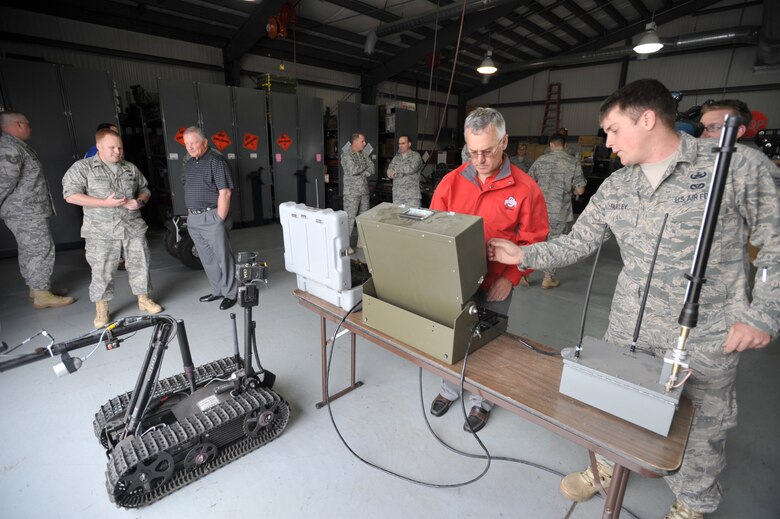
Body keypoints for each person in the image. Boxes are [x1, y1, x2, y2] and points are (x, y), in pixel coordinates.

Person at [487, 79, 779, 519]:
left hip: (705, 332)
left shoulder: (735, 167)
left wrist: (763, 314)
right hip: (630, 324)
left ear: (646, 119)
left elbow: (776, 242)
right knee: (615, 405)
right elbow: (578, 241)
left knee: (700, 425)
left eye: (612, 129)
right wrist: (522, 253)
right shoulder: (619, 185)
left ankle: (693, 502)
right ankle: (607, 467)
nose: (607, 142)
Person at [429, 107, 549, 433]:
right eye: (472, 152)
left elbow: (535, 241)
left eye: (487, 151)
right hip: (456, 281)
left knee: (489, 341)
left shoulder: (526, 189)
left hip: (496, 281)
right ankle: (450, 388)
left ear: (505, 142)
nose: (479, 160)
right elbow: (434, 230)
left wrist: (511, 279)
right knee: (453, 336)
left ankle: (481, 400)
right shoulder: (451, 183)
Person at [63, 128, 162, 327]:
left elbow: (145, 189)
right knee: (102, 270)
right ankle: (102, 308)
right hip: (101, 231)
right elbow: (70, 195)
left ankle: (144, 299)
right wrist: (103, 203)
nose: (117, 151)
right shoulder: (83, 168)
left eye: (120, 147)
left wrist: (139, 202)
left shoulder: (129, 168)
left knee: (140, 263)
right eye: (112, 147)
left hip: (132, 226)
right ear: (98, 147)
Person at [0, 111, 75, 309]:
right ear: (17, 125)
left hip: (26, 210)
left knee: (30, 250)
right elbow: (3, 183)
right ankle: (42, 295)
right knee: (40, 250)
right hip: (24, 212)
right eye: (27, 124)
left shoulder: (16, 146)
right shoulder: (9, 148)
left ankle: (37, 290)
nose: (30, 128)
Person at [182, 126, 237, 311]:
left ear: (205, 142)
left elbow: (225, 193)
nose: (190, 147)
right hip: (194, 219)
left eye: (194, 143)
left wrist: (218, 218)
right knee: (207, 259)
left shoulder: (216, 161)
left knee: (223, 257)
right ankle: (218, 290)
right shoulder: (190, 163)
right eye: (186, 144)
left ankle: (230, 293)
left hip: (211, 217)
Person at [526, 133, 586, 289]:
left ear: (551, 145)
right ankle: (548, 278)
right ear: (564, 145)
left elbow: (528, 184)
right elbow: (580, 190)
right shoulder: (572, 162)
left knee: (534, 240)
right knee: (554, 243)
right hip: (559, 211)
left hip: (538, 211)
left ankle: (524, 274)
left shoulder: (540, 160)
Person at [340, 132, 373, 254]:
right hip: (351, 192)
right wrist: (364, 166)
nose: (365, 143)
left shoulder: (363, 154)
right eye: (362, 141)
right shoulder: (346, 155)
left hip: (364, 190)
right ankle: (345, 245)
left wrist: (362, 170)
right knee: (349, 218)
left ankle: (361, 241)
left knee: (363, 216)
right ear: (355, 142)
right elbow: (353, 170)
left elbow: (372, 168)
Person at [387, 134, 423, 207]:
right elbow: (389, 169)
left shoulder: (416, 156)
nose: (400, 145)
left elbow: (411, 168)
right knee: (396, 217)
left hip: (411, 196)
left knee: (411, 217)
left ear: (409, 144)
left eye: (403, 143)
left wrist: (396, 171)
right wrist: (390, 173)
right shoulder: (396, 158)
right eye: (399, 143)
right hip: (397, 196)